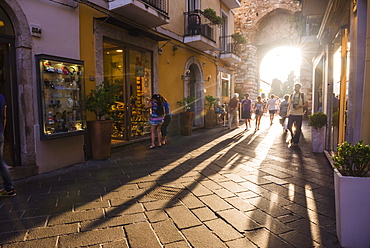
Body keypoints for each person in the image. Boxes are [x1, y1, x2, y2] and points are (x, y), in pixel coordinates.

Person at [0, 94, 16, 197]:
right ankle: (9, 188)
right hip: (0, 133)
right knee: (1, 161)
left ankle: (9, 187)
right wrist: (2, 131)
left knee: (1, 162)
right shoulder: (1, 97)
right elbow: (4, 117)